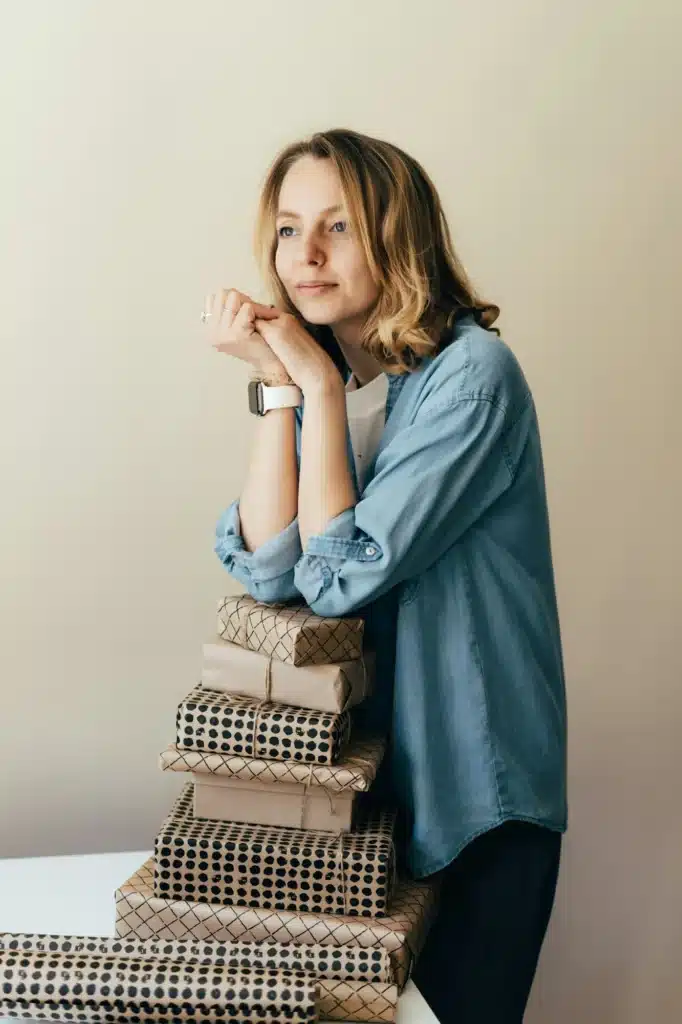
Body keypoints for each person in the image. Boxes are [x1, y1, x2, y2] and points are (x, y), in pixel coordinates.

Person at [203, 128, 568, 1023]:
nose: (306, 256)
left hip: (470, 791)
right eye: (289, 230)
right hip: (360, 787)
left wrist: (315, 392)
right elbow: (268, 565)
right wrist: (282, 385)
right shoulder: (344, 370)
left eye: (339, 226)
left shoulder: (473, 378)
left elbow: (338, 578)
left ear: (398, 238)